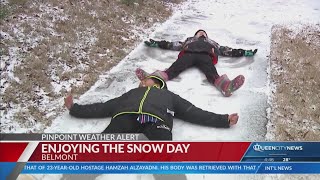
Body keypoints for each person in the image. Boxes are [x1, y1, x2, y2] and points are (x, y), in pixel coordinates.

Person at [64, 75, 239, 140]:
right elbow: (103, 107)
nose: (141, 82)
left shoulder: (168, 96)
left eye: (145, 79)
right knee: (102, 148)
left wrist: (223, 119)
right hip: (125, 117)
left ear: (157, 83)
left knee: (163, 155)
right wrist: (75, 108)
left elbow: (193, 112)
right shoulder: (131, 93)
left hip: (157, 121)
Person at [138, 29, 258, 97]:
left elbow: (228, 51)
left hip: (205, 56)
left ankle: (225, 86)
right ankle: (152, 79)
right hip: (188, 54)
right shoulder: (188, 41)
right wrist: (157, 43)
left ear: (206, 35)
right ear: (195, 35)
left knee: (211, 71)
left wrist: (244, 52)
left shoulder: (212, 43)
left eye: (203, 32)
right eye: (199, 32)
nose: (201, 33)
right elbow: (171, 44)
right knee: (175, 67)